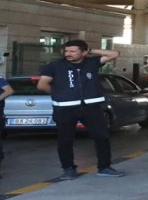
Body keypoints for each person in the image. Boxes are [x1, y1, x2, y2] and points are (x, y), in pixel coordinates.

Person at [37, 40, 125, 180]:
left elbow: (115, 54)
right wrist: (59, 94)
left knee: (101, 136)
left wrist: (91, 50)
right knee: (65, 140)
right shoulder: (54, 65)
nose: (68, 54)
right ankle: (68, 169)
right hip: (65, 108)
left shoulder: (92, 62)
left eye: (72, 51)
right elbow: (42, 85)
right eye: (66, 51)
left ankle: (104, 167)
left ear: (84, 52)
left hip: (91, 106)